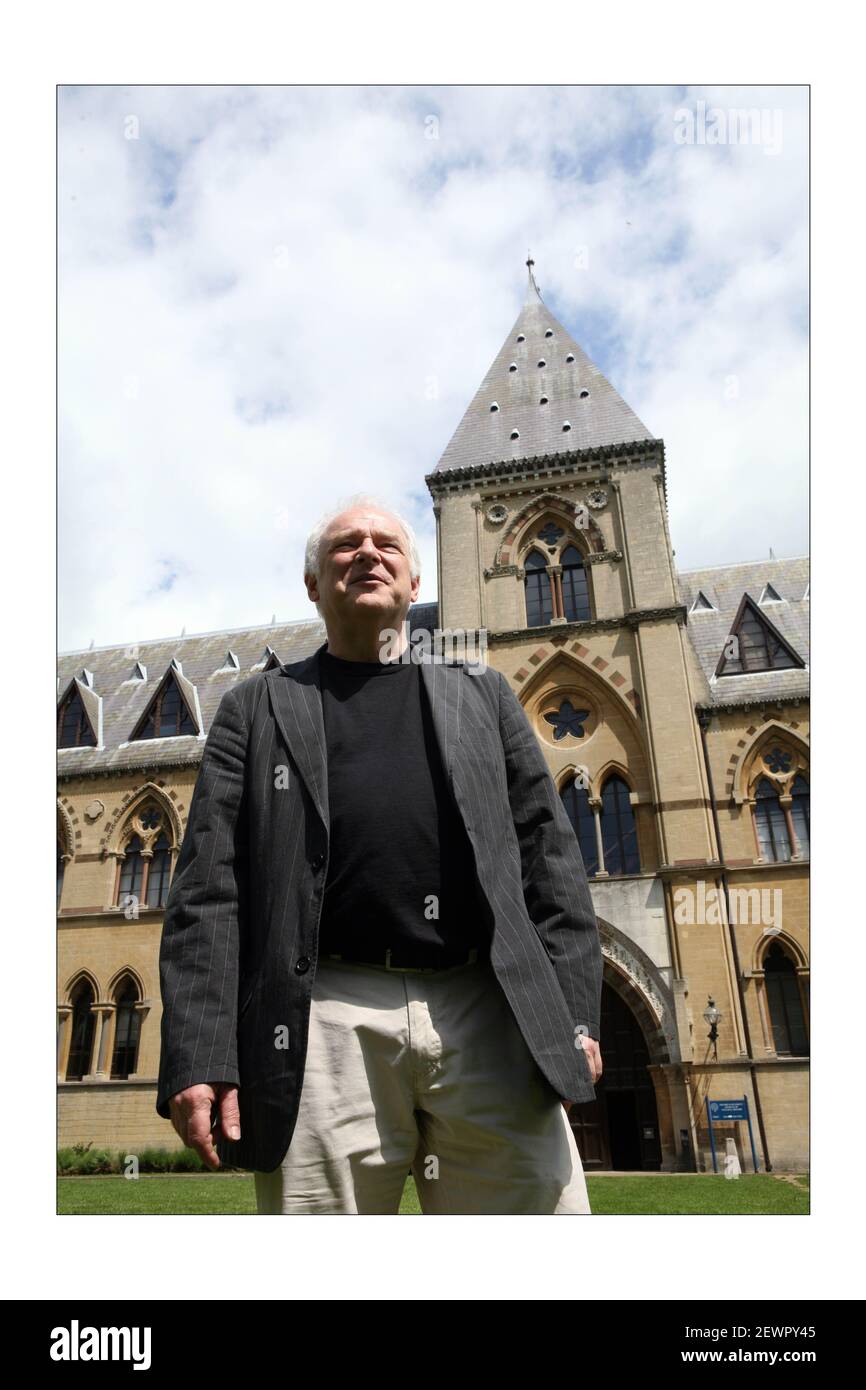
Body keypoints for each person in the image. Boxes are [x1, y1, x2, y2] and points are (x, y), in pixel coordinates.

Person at [156, 492, 603, 1213]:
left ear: (415, 585)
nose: (367, 553)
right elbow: (208, 891)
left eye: (386, 544)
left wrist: (572, 1014)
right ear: (313, 586)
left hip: (488, 1010)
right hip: (323, 1017)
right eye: (345, 546)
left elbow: (551, 860)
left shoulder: (484, 694)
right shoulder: (255, 707)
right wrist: (199, 1052)